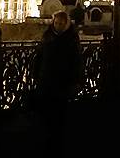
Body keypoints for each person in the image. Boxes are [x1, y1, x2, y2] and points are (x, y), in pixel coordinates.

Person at [33, 11, 83, 141]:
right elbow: (39, 55)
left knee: (59, 111)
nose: (58, 26)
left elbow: (76, 61)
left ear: (66, 24)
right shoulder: (47, 36)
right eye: (56, 23)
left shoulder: (71, 38)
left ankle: (56, 138)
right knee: (46, 110)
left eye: (61, 23)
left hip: (63, 81)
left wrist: (75, 80)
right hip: (46, 79)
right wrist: (36, 73)